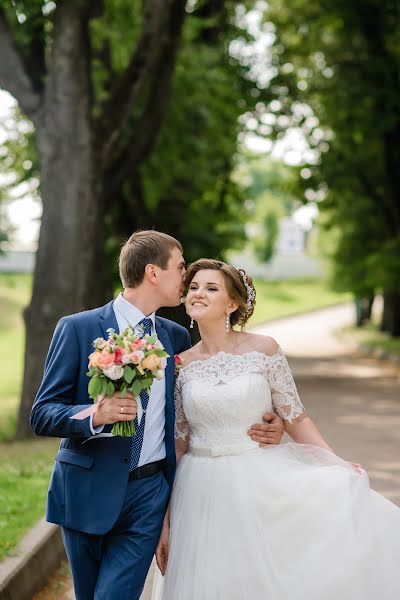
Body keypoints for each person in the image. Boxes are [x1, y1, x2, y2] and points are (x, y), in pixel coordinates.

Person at [30, 231, 283, 600]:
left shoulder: (175, 337)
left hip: (149, 494)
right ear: (153, 272)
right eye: (180, 268)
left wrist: (264, 422)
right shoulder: (78, 328)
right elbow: (42, 413)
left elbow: (200, 404)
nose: (186, 277)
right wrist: (94, 416)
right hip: (87, 489)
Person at [152, 258, 400, 600]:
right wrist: (165, 518)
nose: (198, 293)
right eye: (193, 287)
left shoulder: (264, 349)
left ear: (233, 303)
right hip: (198, 489)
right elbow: (179, 444)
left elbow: (296, 417)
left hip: (255, 477)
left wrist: (335, 462)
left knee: (262, 578)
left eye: (211, 288)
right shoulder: (181, 364)